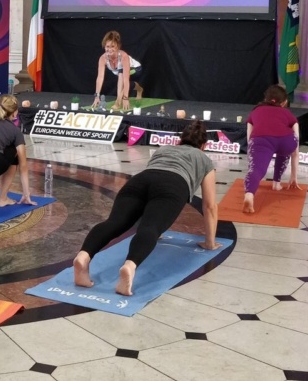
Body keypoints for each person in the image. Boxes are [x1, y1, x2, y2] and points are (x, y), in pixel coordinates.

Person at [73, 120, 220, 296]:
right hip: (173, 185)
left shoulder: (163, 150)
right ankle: (129, 266)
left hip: (140, 181)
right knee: (151, 228)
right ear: (204, 145)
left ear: (179, 140)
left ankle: (83, 256)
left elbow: (149, 193)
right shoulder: (204, 159)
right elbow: (210, 206)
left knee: (114, 222)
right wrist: (210, 243)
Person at [242, 85, 300, 214]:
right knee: (284, 151)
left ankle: (249, 195)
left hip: (261, 140)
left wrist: (253, 161)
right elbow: (295, 151)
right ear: (284, 102)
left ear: (266, 99)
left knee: (257, 170)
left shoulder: (255, 111)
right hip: (286, 142)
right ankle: (276, 183)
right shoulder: (287, 113)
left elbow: (250, 139)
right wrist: (294, 176)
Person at [92, 31, 143, 112]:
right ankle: (139, 89)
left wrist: (125, 98)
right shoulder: (103, 58)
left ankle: (118, 102)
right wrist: (97, 96)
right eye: (107, 46)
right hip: (122, 74)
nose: (109, 49)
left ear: (118, 47)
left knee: (121, 75)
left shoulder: (123, 56)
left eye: (112, 46)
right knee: (125, 80)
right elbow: (100, 78)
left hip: (136, 69)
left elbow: (125, 79)